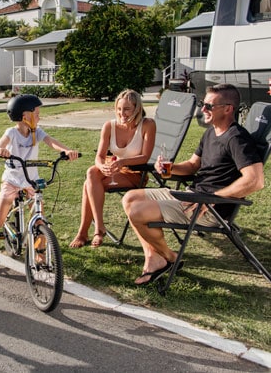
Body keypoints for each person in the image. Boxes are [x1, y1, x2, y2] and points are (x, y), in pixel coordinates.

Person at [122, 84, 264, 285]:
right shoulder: (211, 133)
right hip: (193, 195)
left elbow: (255, 180)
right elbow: (191, 166)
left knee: (137, 211)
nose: (203, 109)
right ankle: (154, 258)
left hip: (208, 208)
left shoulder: (237, 139)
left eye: (209, 106)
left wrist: (214, 199)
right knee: (130, 197)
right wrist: (169, 169)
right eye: (202, 104)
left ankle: (170, 258)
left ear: (228, 108)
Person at [0, 94, 80, 276]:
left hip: (30, 181)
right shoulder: (12, 133)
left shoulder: (37, 132)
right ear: (25, 116)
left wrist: (66, 151)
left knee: (40, 217)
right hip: (12, 180)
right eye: (37, 113)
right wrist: (1, 150)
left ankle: (40, 255)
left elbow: (52, 142)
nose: (39, 116)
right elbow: (2, 142)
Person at [69, 89, 156, 248]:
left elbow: (145, 157)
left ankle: (86, 232)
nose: (122, 113)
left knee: (88, 184)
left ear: (137, 108)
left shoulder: (148, 125)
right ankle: (98, 227)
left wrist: (122, 163)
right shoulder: (109, 126)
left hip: (136, 174)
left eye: (127, 109)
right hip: (114, 170)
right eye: (119, 109)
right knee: (91, 172)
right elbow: (99, 156)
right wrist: (102, 166)